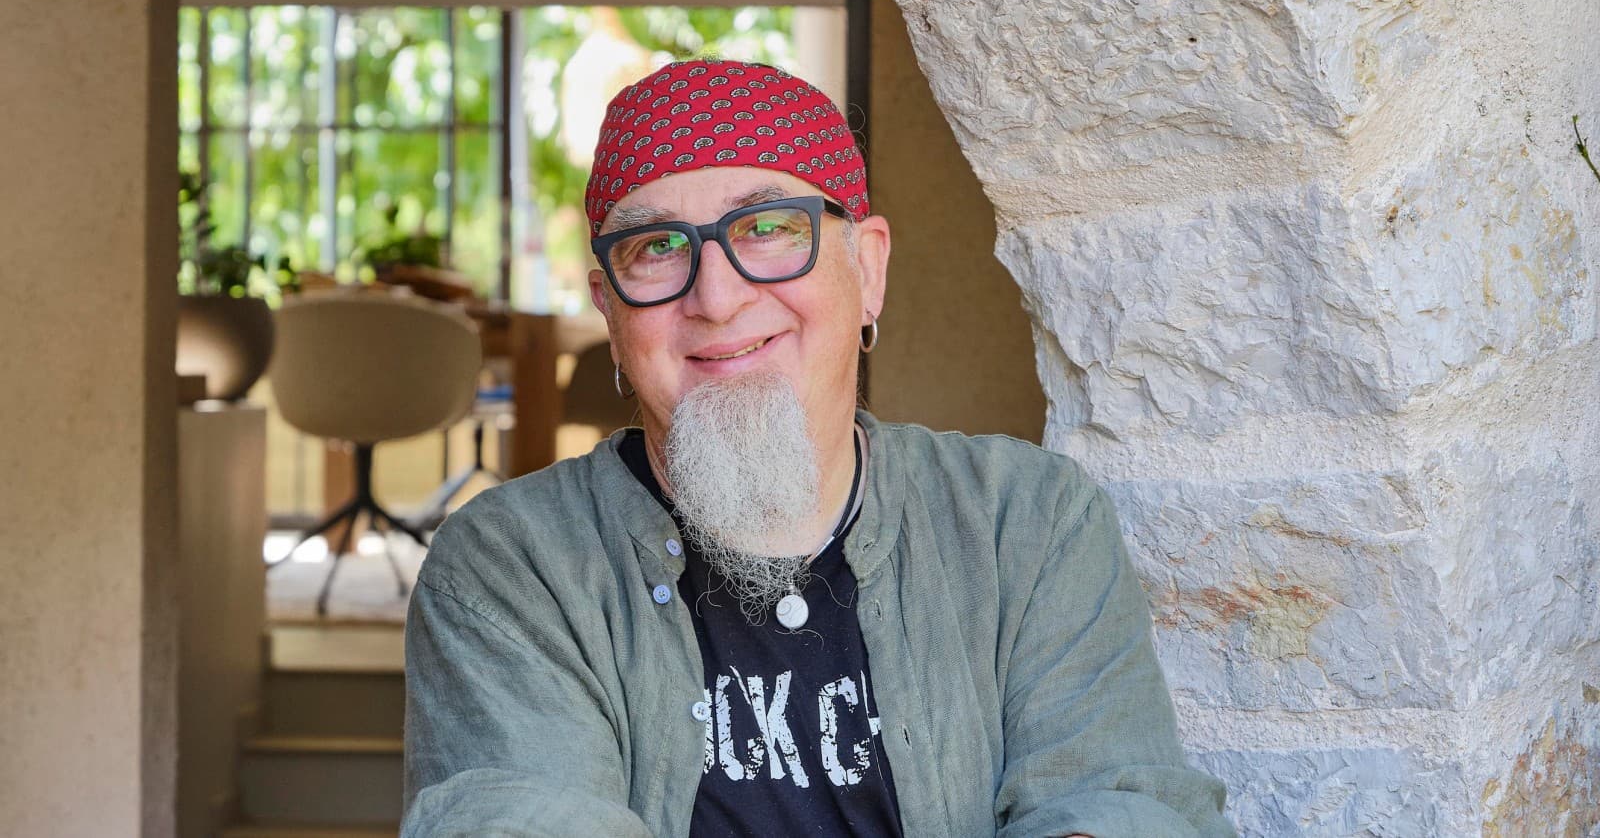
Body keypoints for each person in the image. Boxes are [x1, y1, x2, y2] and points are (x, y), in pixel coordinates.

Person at [402, 59, 1234, 838]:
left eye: (768, 228)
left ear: (867, 269)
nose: (717, 298)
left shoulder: (1026, 523)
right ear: (613, 317)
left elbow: (1115, 803)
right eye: (656, 248)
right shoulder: (515, 565)